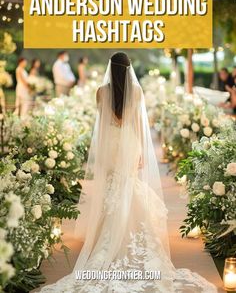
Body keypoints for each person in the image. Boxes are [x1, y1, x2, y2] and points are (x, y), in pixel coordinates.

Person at [38, 53, 217, 293]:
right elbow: (138, 125)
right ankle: (129, 230)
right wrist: (140, 150)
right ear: (129, 69)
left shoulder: (101, 92)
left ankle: (108, 234)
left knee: (112, 185)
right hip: (129, 143)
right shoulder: (137, 92)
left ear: (110, 69)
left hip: (110, 143)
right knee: (128, 184)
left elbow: (101, 124)